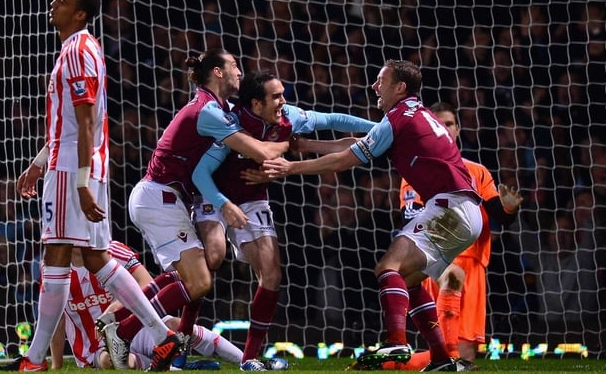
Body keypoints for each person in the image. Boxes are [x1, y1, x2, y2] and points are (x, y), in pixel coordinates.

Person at [0, 0, 180, 372]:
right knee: (96, 257)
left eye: (61, 0)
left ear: (79, 14)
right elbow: (72, 126)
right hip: (79, 165)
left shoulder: (77, 50)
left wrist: (78, 182)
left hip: (73, 171)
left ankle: (34, 360)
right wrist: (40, 161)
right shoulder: (80, 49)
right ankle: (163, 337)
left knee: (56, 254)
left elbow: (85, 120)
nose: (52, 2)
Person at [262, 59, 482, 372]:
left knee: (387, 266)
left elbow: (344, 161)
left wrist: (290, 168)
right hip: (463, 211)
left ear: (400, 87)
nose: (375, 86)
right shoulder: (415, 113)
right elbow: (356, 144)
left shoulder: (399, 118)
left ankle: (396, 341)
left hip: (449, 207)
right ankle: (442, 359)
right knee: (409, 280)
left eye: (381, 80)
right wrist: (309, 144)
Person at [102, 49, 288, 369]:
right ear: (217, 72)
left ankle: (124, 323)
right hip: (160, 199)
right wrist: (289, 140)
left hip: (166, 199)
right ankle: (124, 329)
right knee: (199, 281)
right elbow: (259, 148)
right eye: (233, 66)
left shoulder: (217, 107)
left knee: (189, 276)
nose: (240, 73)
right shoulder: (207, 112)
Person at [191, 71, 375, 370]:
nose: (283, 102)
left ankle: (249, 359)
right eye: (276, 97)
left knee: (272, 275)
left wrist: (383, 128)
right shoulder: (231, 125)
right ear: (256, 103)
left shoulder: (290, 117)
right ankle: (181, 340)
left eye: (282, 94)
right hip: (214, 196)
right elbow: (200, 173)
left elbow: (334, 120)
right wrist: (223, 205)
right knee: (211, 258)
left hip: (253, 200)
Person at [382, 101, 522, 370]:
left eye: (449, 123)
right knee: (445, 347)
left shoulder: (478, 171)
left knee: (467, 354)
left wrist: (509, 208)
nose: (444, 128)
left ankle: (390, 364)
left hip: (475, 264)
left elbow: (500, 217)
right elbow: (410, 218)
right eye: (439, 124)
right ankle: (394, 363)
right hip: (439, 260)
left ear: (457, 129)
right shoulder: (415, 170)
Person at [50, 242, 242, 370]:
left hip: (132, 325)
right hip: (93, 348)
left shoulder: (112, 250)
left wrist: (116, 308)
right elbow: (55, 320)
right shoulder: (53, 270)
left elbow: (147, 284)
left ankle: (246, 361)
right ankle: (175, 368)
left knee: (176, 326)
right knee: (113, 361)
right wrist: (56, 366)